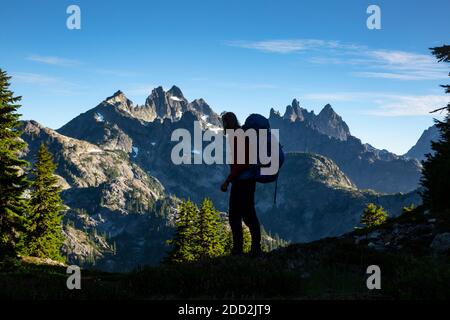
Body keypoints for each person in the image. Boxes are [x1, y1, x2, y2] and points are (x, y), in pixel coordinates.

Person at [220, 112, 262, 257]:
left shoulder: (237, 135)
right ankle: (248, 248)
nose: (223, 125)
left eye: (224, 122)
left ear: (227, 123)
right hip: (246, 180)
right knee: (243, 215)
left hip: (243, 181)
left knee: (241, 216)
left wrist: (227, 180)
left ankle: (246, 249)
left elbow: (241, 163)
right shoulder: (239, 133)